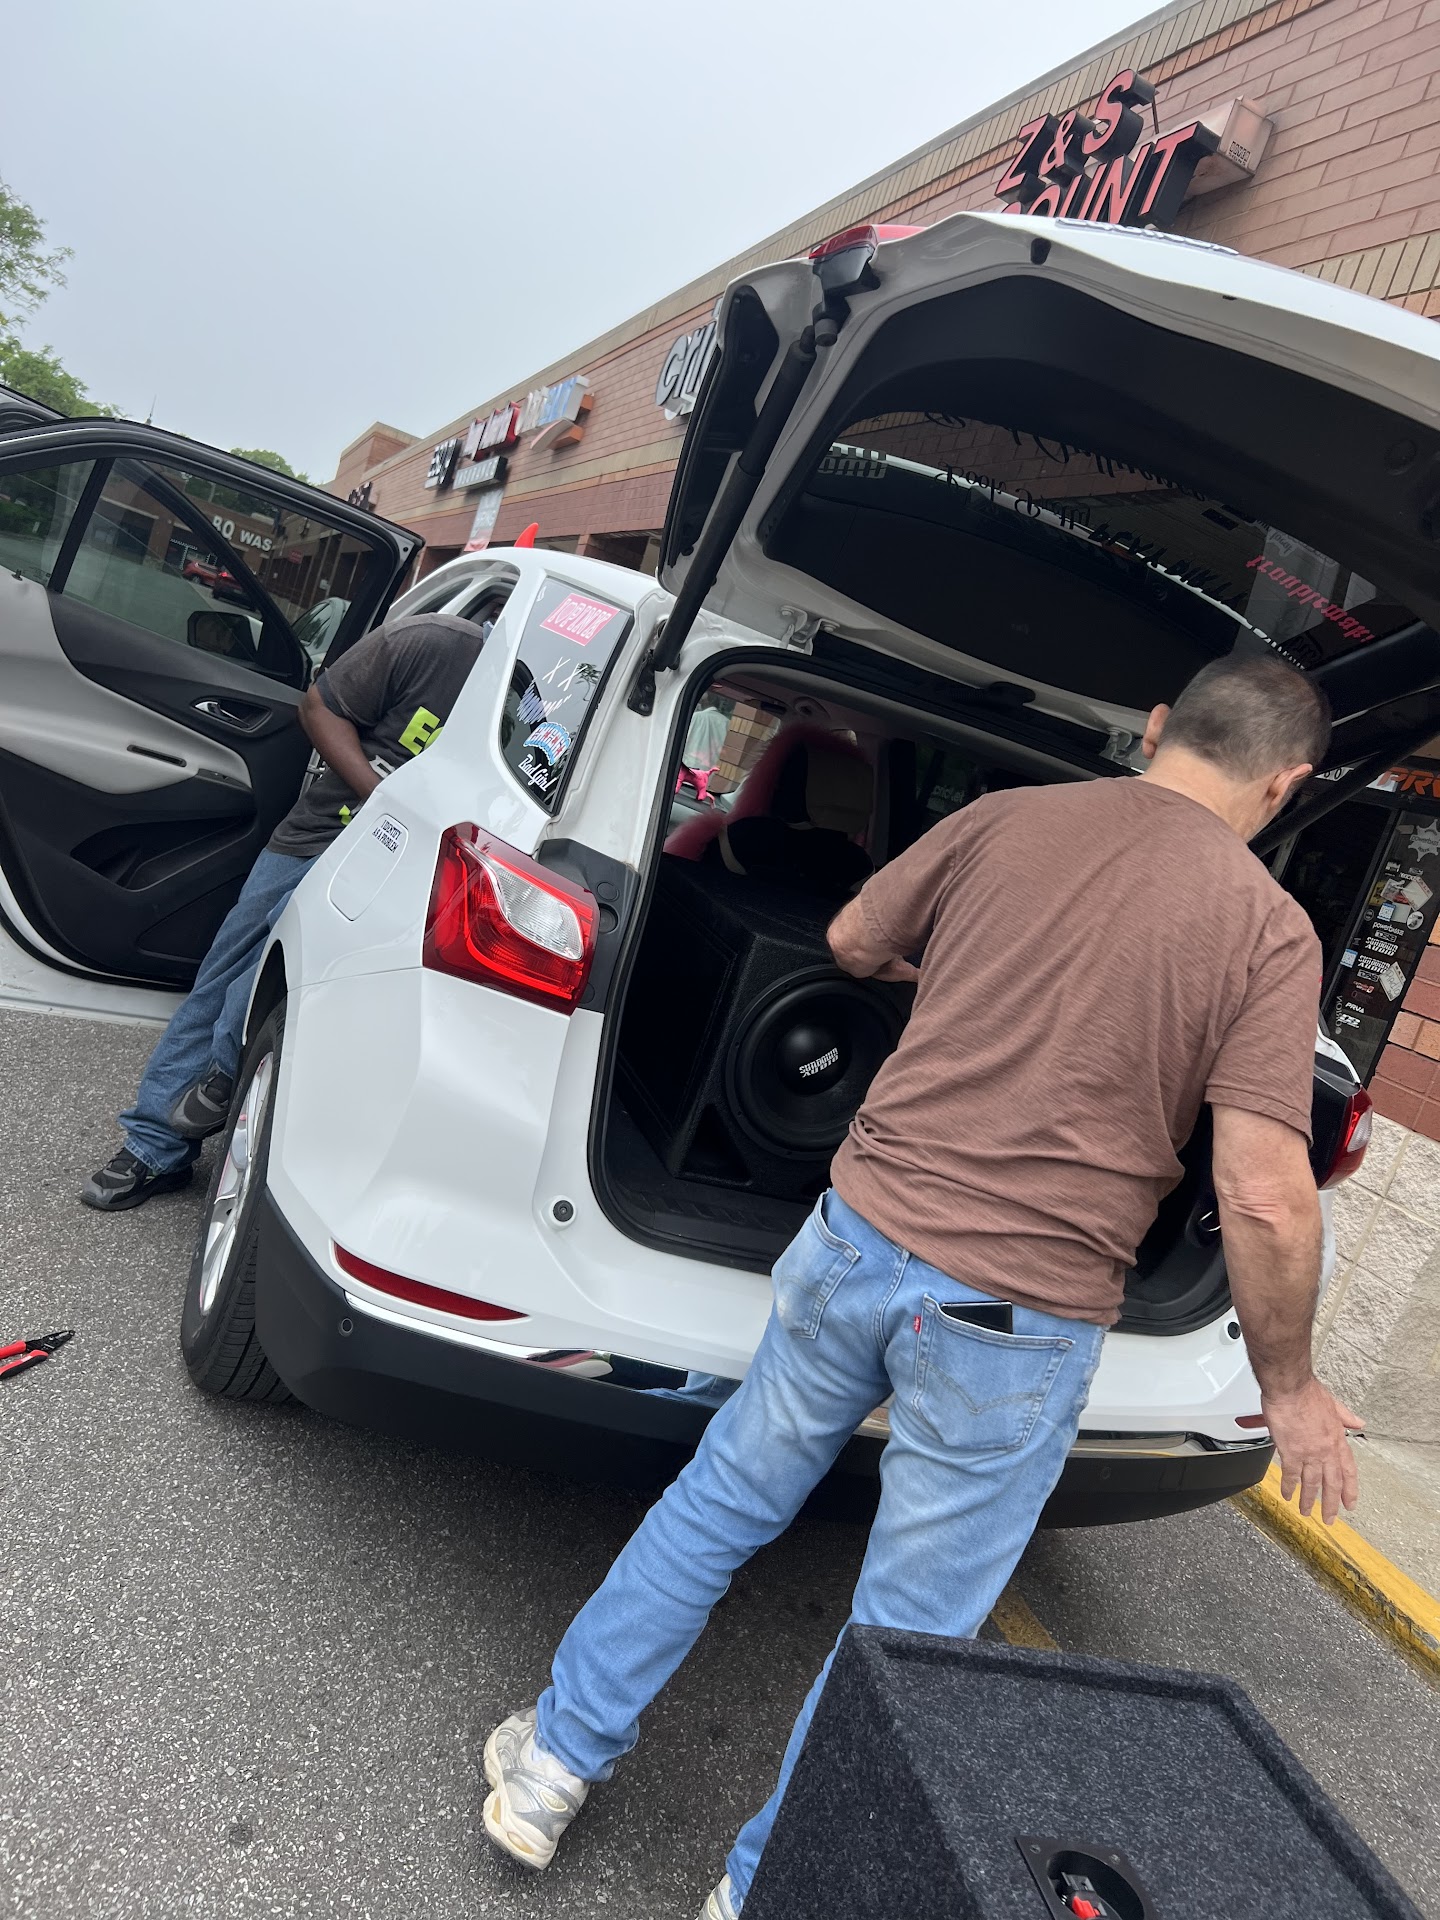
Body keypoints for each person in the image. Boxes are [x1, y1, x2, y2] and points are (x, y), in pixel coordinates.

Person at [479, 655, 1365, 1920]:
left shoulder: (1008, 819)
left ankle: (551, 1768)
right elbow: (1266, 1193)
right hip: (1018, 1315)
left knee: (720, 1502)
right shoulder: (1268, 932)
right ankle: (762, 1892)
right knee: (906, 1636)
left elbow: (851, 940)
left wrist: (951, 976)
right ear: (1287, 785)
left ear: (1160, 725)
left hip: (857, 1237)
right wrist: (1290, 1387)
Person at [82, 611, 487, 1211]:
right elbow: (318, 707)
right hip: (322, 835)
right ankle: (154, 1147)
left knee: (309, 988)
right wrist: (384, 799)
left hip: (426, 873)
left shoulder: (540, 709)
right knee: (227, 973)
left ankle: (231, 1075)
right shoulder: (433, 643)